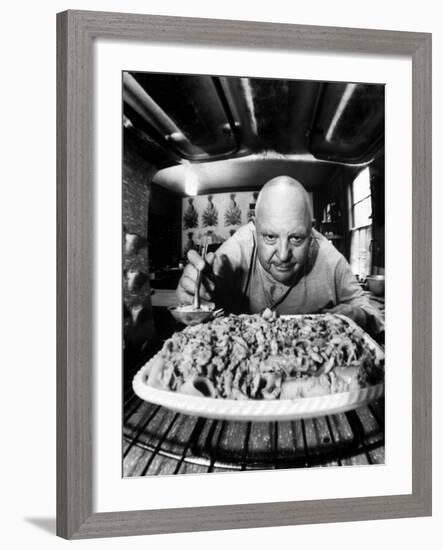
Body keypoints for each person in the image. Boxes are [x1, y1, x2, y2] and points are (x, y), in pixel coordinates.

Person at [176, 176, 383, 334]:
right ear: (254, 227)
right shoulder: (235, 251)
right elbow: (200, 300)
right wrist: (193, 292)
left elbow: (371, 312)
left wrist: (358, 315)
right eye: (270, 237)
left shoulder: (331, 259)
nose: (283, 255)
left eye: (296, 238)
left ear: (311, 231)